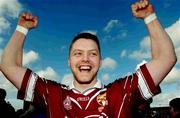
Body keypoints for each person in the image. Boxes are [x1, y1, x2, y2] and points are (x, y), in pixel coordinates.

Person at [0, 0, 177, 117]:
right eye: (78, 53)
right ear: (68, 61)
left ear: (100, 61)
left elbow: (166, 58)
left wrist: (150, 17)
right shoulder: (51, 93)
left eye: (92, 54)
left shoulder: (121, 92)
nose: (85, 59)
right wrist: (21, 29)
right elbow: (8, 65)